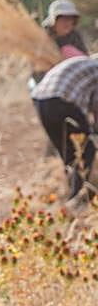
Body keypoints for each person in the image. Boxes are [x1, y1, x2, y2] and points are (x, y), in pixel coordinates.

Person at [30, 55, 98, 206]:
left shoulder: (83, 62)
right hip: (62, 101)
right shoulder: (96, 70)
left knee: (68, 153)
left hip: (40, 100)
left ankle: (72, 193)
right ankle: (79, 198)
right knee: (86, 149)